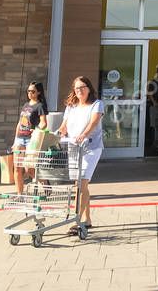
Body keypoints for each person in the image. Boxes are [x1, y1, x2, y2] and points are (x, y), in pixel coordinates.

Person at [57, 76, 104, 235]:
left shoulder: (97, 104)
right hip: (73, 148)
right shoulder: (71, 106)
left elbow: (94, 122)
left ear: (89, 88)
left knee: (81, 184)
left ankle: (77, 221)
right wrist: (57, 134)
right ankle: (87, 219)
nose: (79, 91)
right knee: (81, 185)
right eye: (76, 88)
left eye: (82, 87)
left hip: (91, 148)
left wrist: (83, 135)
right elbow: (64, 126)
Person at [11, 81, 48, 195]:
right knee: (17, 167)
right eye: (28, 91)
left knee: (29, 169)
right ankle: (19, 194)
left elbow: (44, 123)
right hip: (20, 138)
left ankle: (46, 184)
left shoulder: (40, 106)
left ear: (38, 92)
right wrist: (15, 140)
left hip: (30, 140)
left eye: (33, 91)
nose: (30, 93)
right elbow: (20, 122)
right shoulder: (26, 105)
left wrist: (36, 130)